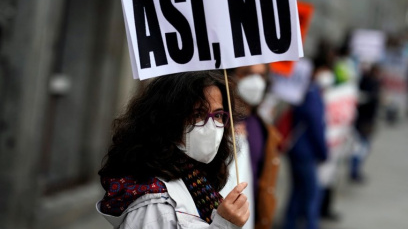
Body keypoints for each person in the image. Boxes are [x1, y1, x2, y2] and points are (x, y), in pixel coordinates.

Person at [97, 71, 250, 229]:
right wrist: (224, 224)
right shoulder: (153, 202)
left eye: (218, 115)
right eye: (198, 114)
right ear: (167, 119)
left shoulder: (197, 182)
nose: (211, 125)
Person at [231, 64, 282, 229]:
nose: (255, 81)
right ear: (232, 77)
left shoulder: (263, 127)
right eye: (247, 73)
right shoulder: (217, 125)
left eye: (261, 75)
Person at [284, 58, 329, 229]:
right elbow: (316, 126)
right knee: (312, 194)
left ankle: (289, 224)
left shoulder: (300, 92)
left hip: (297, 150)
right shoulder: (311, 94)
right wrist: (323, 152)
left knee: (297, 192)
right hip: (305, 152)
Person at [350, 64, 382, 183]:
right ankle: (354, 171)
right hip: (365, 122)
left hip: (362, 120)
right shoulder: (373, 85)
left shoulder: (364, 82)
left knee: (359, 147)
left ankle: (355, 170)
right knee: (361, 148)